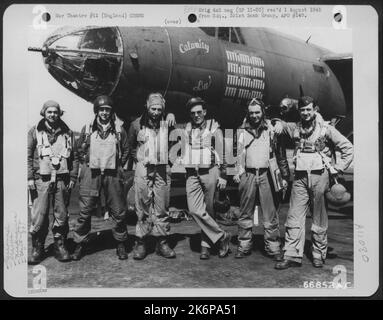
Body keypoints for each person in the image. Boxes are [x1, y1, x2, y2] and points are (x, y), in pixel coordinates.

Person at [274, 96, 353, 269]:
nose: (305, 113)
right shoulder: (295, 128)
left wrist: (338, 168)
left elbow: (348, 148)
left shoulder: (326, 129)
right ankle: (291, 254)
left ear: (315, 109)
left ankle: (318, 253)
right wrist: (278, 122)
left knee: (319, 217)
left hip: (320, 177)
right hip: (300, 178)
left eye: (308, 109)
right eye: (302, 110)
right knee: (294, 216)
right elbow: (276, 124)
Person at [72, 95, 129, 260]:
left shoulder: (119, 130)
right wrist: (87, 162)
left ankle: (120, 242)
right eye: (102, 109)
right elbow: (78, 150)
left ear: (111, 112)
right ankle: (79, 243)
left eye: (108, 110)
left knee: (118, 210)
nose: (104, 113)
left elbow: (125, 150)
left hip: (112, 174)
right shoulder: (88, 129)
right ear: (97, 111)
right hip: (92, 173)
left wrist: (118, 165)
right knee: (85, 209)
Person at [233, 98, 290, 260]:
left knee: (270, 213)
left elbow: (280, 154)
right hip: (248, 174)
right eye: (251, 113)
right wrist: (237, 172)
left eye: (257, 112)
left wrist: (284, 176)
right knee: (245, 212)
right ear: (247, 113)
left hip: (267, 175)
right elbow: (236, 153)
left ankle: (273, 247)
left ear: (263, 112)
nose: (254, 115)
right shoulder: (241, 130)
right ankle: (244, 245)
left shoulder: (271, 129)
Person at [27, 100, 78, 264]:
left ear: (59, 113)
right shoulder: (35, 131)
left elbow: (75, 157)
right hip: (40, 179)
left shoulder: (67, 132)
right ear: (44, 113)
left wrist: (73, 176)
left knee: (61, 214)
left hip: (62, 178)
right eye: (49, 112)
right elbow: (27, 155)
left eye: (55, 112)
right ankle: (38, 247)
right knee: (39, 214)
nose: (52, 115)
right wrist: (29, 177)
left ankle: (60, 245)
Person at [127, 92, 176, 260]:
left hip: (162, 169)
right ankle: (140, 242)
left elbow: (176, 143)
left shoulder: (168, 124)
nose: (156, 112)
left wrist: (168, 160)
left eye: (159, 109)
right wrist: (139, 161)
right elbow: (131, 145)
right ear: (147, 107)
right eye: (153, 108)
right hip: (144, 168)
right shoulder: (136, 125)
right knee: (142, 205)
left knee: (162, 205)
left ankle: (162, 241)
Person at [181, 97, 231, 260]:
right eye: (193, 113)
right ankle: (222, 236)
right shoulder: (187, 128)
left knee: (209, 210)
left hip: (210, 171)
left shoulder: (214, 128)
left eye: (199, 112)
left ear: (205, 112)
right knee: (195, 209)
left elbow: (223, 153)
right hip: (192, 174)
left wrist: (223, 175)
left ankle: (206, 246)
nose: (196, 115)